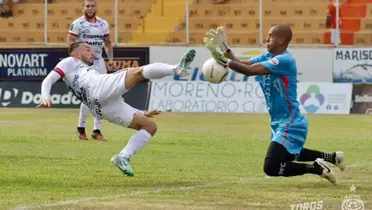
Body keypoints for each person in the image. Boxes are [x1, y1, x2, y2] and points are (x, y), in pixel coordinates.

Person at [203, 25, 345, 184]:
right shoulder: (267, 57)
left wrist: (220, 58)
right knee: (291, 155)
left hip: (290, 122)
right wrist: (224, 48)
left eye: (270, 36)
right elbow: (242, 64)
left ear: (281, 40)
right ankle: (333, 157)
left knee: (271, 167)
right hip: (278, 121)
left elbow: (249, 71)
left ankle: (316, 168)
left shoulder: (284, 60)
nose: (266, 39)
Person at [37, 42, 196, 176]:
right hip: (97, 88)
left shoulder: (85, 69)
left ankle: (123, 157)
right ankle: (176, 69)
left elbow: (106, 97)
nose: (92, 53)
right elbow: (48, 79)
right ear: (76, 54)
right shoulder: (70, 61)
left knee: (149, 126)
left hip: (99, 107)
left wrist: (142, 112)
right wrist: (45, 96)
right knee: (138, 72)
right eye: (87, 49)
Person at [67, 0, 115, 141]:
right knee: (88, 94)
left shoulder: (103, 24)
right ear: (83, 8)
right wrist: (77, 58)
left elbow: (107, 43)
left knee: (101, 95)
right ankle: (81, 128)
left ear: (96, 7)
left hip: (99, 62)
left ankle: (96, 129)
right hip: (85, 63)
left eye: (92, 6)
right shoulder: (77, 24)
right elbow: (70, 42)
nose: (90, 8)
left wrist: (110, 59)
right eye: (87, 6)